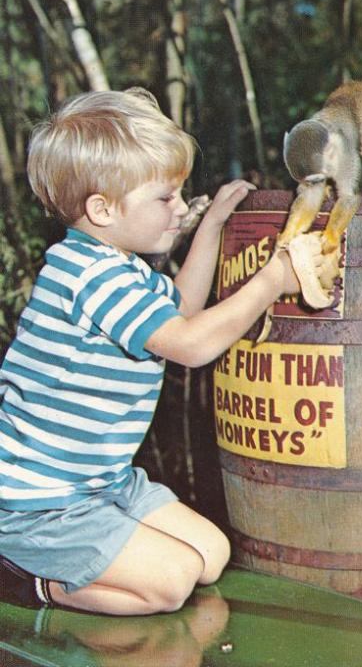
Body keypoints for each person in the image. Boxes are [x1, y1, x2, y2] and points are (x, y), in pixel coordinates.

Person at [0, 87, 305, 616]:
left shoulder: (118, 265)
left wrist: (209, 228)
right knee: (171, 583)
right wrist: (272, 280)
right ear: (102, 208)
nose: (179, 209)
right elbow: (190, 346)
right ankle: (27, 583)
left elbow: (181, 311)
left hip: (101, 484)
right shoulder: (87, 275)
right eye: (165, 198)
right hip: (37, 503)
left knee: (211, 556)